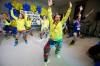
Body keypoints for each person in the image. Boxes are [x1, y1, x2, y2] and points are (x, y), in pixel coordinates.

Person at [43, 0, 72, 66]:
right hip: (52, 39)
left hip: (59, 40)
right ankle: (46, 60)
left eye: (59, 17)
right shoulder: (51, 21)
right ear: (54, 18)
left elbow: (67, 16)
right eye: (57, 17)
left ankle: (56, 53)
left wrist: (70, 8)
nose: (58, 18)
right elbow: (49, 14)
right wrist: (49, 6)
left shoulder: (61, 23)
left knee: (59, 48)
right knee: (46, 49)